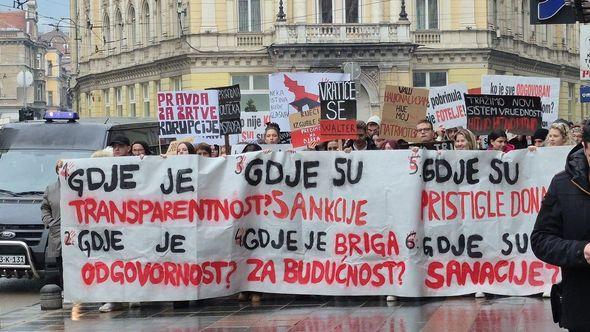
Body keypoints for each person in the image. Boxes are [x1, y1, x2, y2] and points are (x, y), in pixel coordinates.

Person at [531, 123, 590, 330]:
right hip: (583, 306)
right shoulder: (563, 184)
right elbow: (541, 239)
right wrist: (580, 251)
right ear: (586, 146)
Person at [41, 160, 63, 287]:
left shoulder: (77, 187)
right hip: (57, 233)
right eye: (59, 168)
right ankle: (65, 291)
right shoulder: (51, 189)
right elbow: (45, 207)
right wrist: (49, 222)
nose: (62, 170)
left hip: (75, 234)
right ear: (57, 171)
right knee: (61, 264)